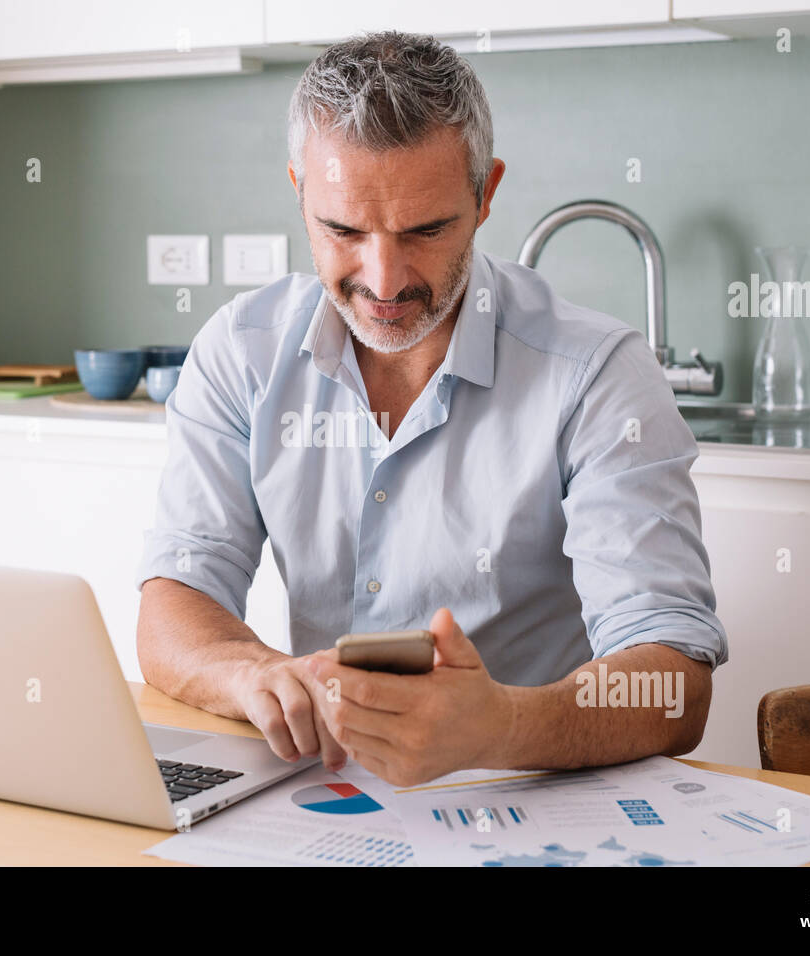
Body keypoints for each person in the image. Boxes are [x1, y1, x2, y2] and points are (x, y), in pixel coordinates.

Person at [135, 30, 728, 787]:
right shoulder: (240, 351)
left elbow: (675, 684)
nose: (383, 280)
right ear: (299, 192)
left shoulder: (599, 375)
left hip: (533, 796)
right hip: (325, 798)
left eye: (425, 230)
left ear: (485, 195)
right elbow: (173, 604)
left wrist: (502, 726)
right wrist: (248, 674)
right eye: (343, 230)